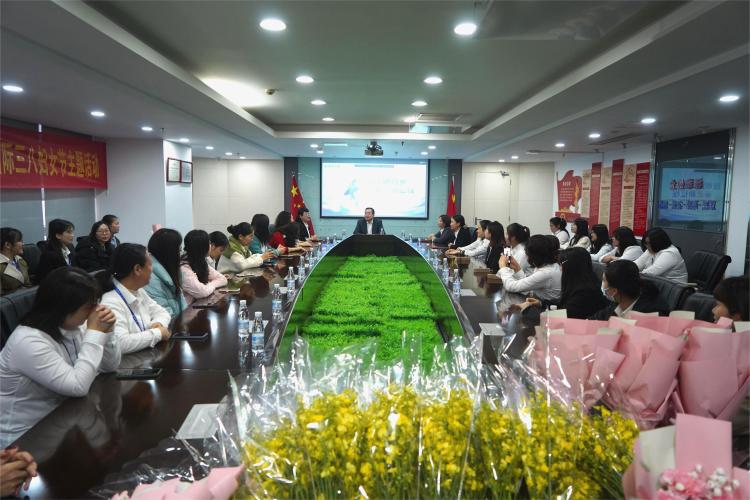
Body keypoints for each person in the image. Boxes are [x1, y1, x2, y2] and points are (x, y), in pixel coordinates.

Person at [0, 267, 121, 446]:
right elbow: (77, 386)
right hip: (23, 438)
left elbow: (110, 367)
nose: (94, 311)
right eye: (88, 307)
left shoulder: (74, 325)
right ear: (63, 308)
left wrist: (107, 332)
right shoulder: (28, 341)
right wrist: (95, 333)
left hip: (63, 422)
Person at [100, 244, 172, 354]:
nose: (152, 270)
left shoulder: (138, 290)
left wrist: (158, 323)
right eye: (150, 264)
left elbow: (162, 312)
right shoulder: (110, 302)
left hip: (144, 357)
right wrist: (158, 333)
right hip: (126, 363)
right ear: (137, 269)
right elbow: (120, 343)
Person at [523, 247, 608, 318]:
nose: (560, 268)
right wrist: (541, 303)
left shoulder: (585, 292)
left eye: (561, 265)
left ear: (572, 267)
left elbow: (565, 314)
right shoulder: (581, 283)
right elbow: (564, 303)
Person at [590, 260, 669, 320]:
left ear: (614, 291)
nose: (601, 283)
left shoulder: (652, 312)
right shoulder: (618, 301)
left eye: (604, 280)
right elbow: (595, 319)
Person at [499, 234, 562, 302]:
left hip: (544, 307)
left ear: (535, 255)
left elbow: (511, 287)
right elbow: (527, 286)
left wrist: (503, 267)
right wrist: (517, 268)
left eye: (528, 255)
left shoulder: (546, 273)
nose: (527, 257)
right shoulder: (551, 266)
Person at [144, 228, 187, 318]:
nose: (181, 254)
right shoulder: (150, 279)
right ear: (169, 253)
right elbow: (165, 315)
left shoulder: (171, 270)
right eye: (179, 250)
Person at [180, 230, 228, 305]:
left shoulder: (201, 262)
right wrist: (212, 284)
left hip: (198, 304)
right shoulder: (184, 268)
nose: (210, 246)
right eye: (209, 243)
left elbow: (223, 279)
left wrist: (208, 284)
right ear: (201, 247)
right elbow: (202, 292)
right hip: (188, 309)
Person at [0, 228, 30, 295]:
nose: (23, 243)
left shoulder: (21, 260)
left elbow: (28, 285)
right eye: (20, 241)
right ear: (7, 245)